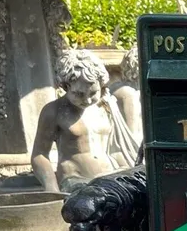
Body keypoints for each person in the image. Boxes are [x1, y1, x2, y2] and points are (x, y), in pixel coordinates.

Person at [31, 49, 139, 193]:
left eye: (93, 93)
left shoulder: (107, 105)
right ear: (65, 87)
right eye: (79, 94)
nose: (87, 100)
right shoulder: (54, 111)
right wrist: (52, 188)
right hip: (76, 181)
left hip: (112, 176)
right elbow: (39, 155)